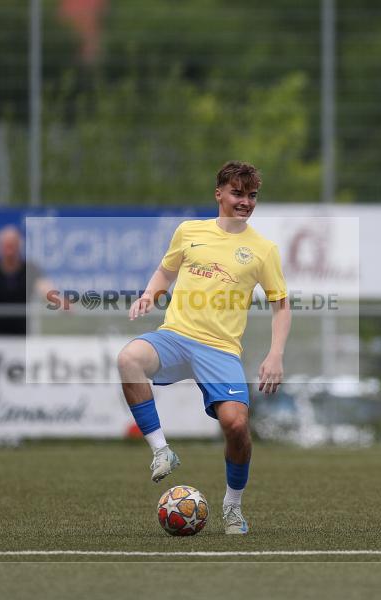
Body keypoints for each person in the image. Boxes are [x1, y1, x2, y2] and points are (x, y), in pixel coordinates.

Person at [117, 161, 291, 535]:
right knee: (129, 358)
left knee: (236, 425)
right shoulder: (189, 231)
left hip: (220, 350)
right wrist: (150, 294)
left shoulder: (263, 250)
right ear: (219, 194)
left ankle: (232, 506)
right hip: (176, 336)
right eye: (237, 194)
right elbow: (166, 270)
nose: (245, 202)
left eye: (252, 195)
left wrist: (275, 354)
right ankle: (161, 450)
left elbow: (281, 304)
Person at [0, 225, 56, 336]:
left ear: (19, 246)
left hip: (22, 336)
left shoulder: (30, 269)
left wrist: (59, 302)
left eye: (12, 246)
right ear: (0, 247)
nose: (9, 251)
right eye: (6, 246)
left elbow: (45, 289)